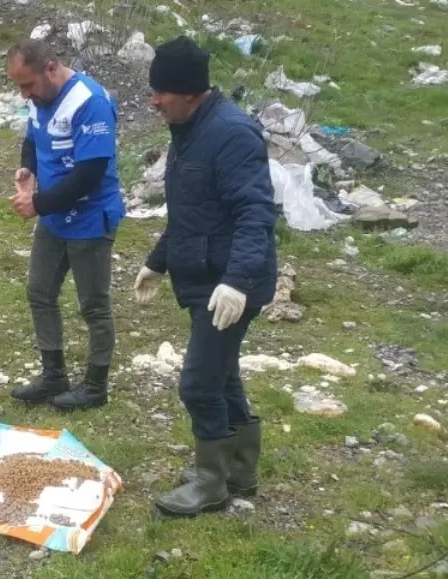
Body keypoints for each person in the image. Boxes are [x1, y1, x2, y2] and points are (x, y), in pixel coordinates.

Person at [132, 36, 279, 517]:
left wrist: (237, 281)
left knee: (197, 383)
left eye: (162, 92)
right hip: (202, 277)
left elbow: (255, 214)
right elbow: (190, 212)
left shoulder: (232, 134)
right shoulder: (188, 128)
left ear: (192, 92)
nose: (153, 100)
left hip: (230, 283)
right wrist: (159, 261)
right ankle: (240, 469)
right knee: (222, 375)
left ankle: (212, 482)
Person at [6, 39, 126, 411]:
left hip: (91, 217)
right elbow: (33, 137)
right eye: (19, 87)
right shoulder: (38, 97)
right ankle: (53, 374)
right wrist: (28, 169)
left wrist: (38, 203)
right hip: (56, 217)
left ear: (51, 67)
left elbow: (90, 175)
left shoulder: (89, 102)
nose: (25, 94)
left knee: (93, 305)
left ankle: (95, 386)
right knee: (39, 292)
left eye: (28, 85)